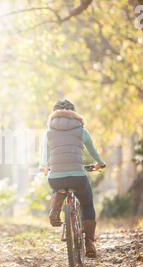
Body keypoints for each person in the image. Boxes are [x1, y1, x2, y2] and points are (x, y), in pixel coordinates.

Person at [40, 99, 105, 258]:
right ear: (74, 114)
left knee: (58, 185)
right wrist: (100, 163)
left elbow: (44, 158)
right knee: (87, 203)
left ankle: (55, 210)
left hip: (56, 177)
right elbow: (92, 151)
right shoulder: (81, 130)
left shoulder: (48, 132)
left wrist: (46, 167)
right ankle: (89, 242)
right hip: (78, 176)